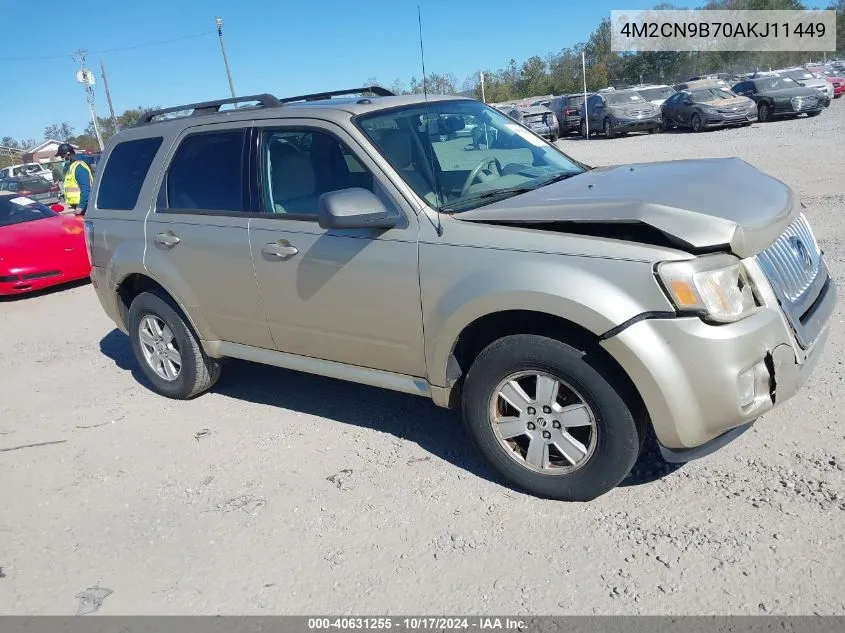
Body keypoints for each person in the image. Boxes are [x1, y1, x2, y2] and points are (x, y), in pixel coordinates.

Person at [55, 143, 93, 215]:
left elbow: (85, 189)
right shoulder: (71, 167)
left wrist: (81, 206)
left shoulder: (79, 167)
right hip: (77, 206)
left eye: (62, 155)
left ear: (68, 154)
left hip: (85, 207)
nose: (61, 158)